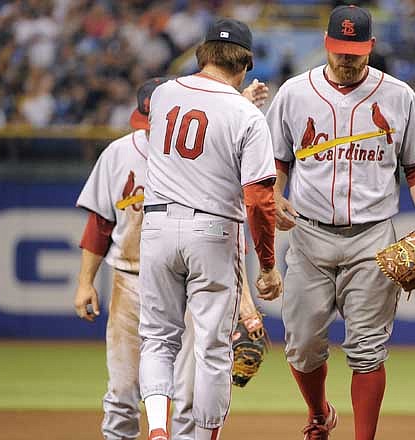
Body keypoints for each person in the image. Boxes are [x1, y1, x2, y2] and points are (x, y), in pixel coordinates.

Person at [265, 5, 415, 440]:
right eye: (341, 50)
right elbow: (275, 159)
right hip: (309, 233)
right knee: (302, 346)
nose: (348, 59)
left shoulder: (398, 95)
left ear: (371, 48)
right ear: (327, 44)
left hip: (372, 236)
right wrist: (274, 194)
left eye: (356, 51)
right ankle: (319, 412)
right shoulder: (293, 93)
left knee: (367, 351)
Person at [74, 73, 272, 440]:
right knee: (121, 391)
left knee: (188, 393)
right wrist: (85, 281)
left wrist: (244, 300)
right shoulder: (119, 154)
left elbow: (228, 229)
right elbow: (100, 224)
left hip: (190, 282)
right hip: (130, 281)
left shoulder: (198, 153)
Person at [137, 18, 282, 440]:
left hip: (159, 225)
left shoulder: (163, 93)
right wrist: (269, 265)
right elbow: (258, 199)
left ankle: (160, 431)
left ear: (203, 54)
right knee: (213, 351)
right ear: (247, 64)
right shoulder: (246, 116)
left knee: (158, 341)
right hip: (213, 232)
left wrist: (238, 100)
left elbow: (200, 109)